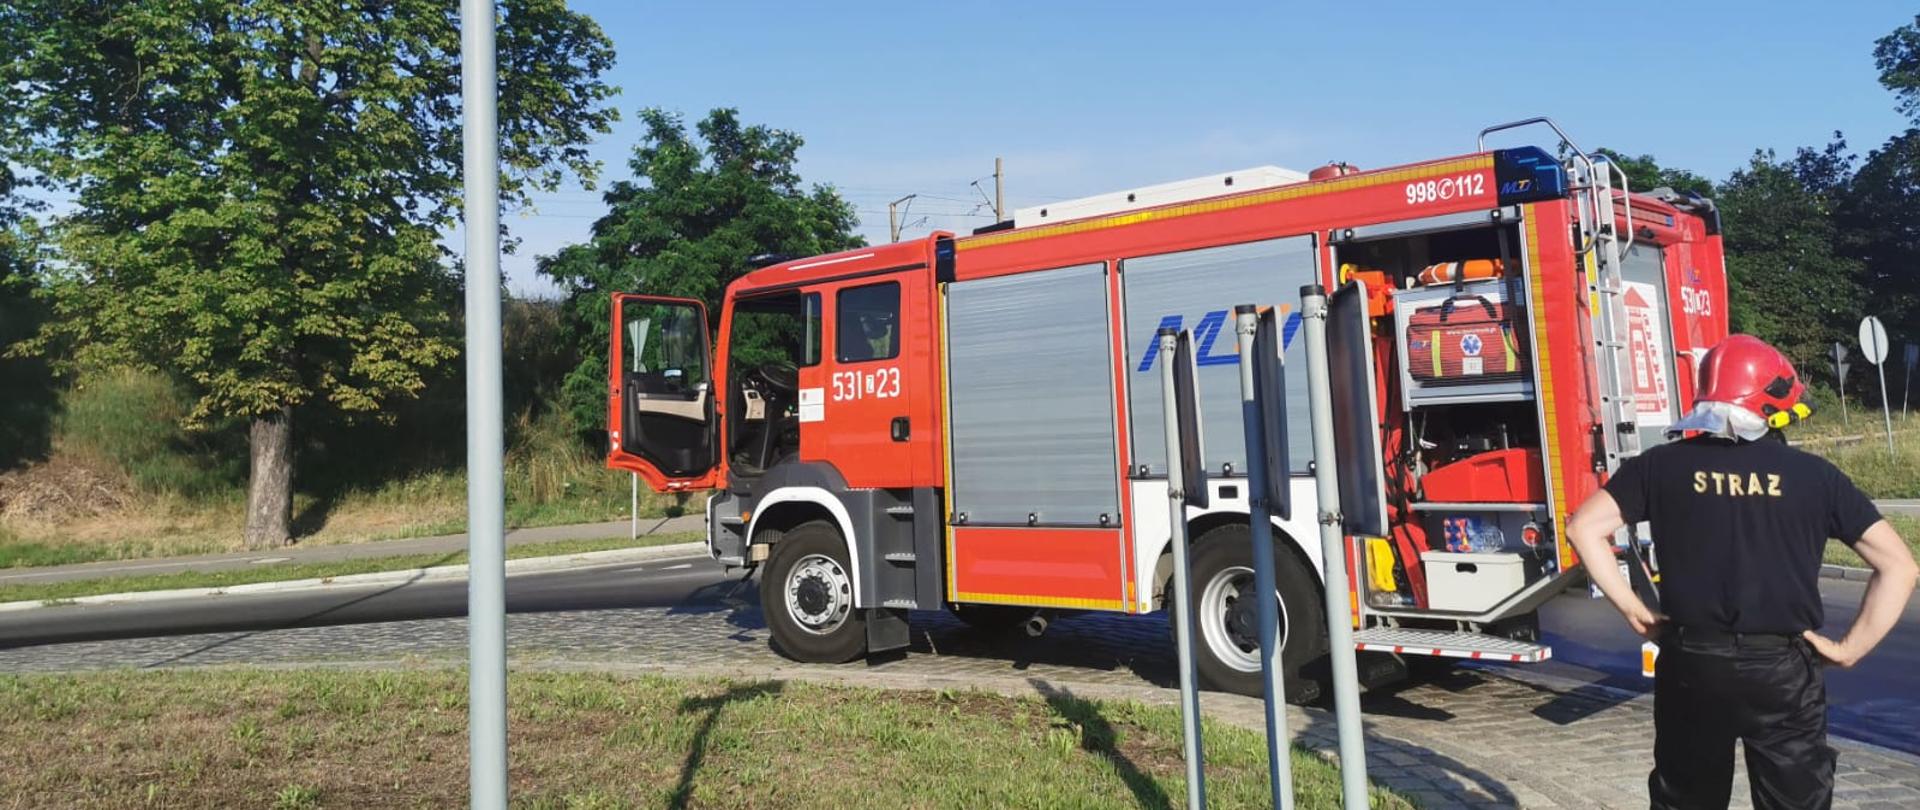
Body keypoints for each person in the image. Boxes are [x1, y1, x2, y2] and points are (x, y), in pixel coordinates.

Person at [1566, 334, 1917, 810]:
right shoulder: (1817, 477)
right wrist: (1849, 650)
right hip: (1782, 670)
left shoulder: (1658, 466)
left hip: (1692, 661)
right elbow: (1899, 566)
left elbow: (1584, 529)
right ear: (1774, 404)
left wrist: (1632, 607)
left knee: (1685, 798)